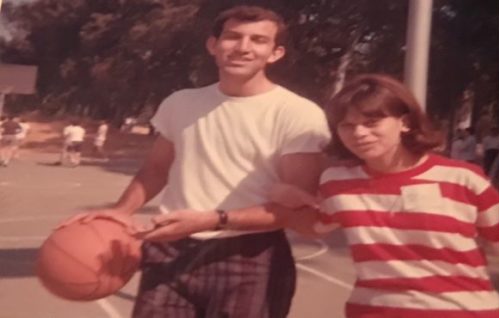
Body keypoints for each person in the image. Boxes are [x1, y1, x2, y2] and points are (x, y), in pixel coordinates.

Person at [60, 5, 329, 318]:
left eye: (258, 40)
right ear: (213, 45)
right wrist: (120, 212)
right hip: (170, 249)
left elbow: (294, 208)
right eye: (233, 37)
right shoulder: (181, 102)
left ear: (275, 53)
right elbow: (156, 170)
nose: (243, 47)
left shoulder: (298, 114)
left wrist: (212, 219)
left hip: (251, 255)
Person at [272, 74, 499, 318]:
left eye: (371, 122)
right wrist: (288, 196)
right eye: (347, 126)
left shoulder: (464, 179)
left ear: (404, 123)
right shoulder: (337, 181)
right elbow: (315, 226)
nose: (359, 133)